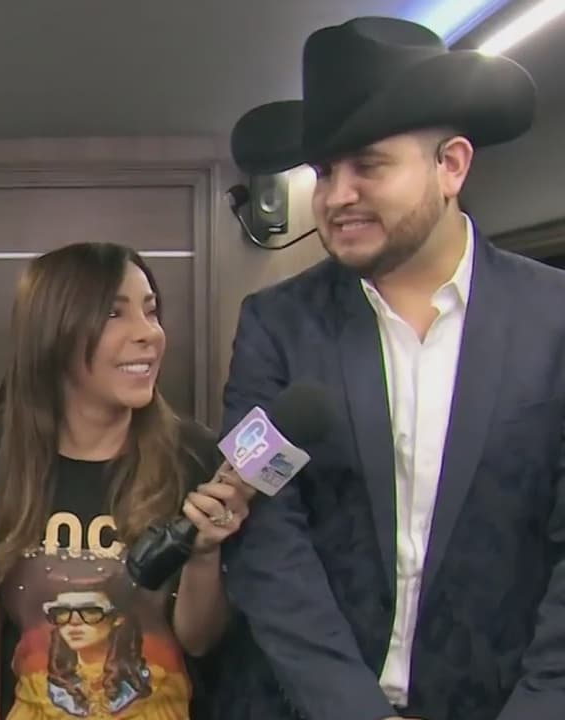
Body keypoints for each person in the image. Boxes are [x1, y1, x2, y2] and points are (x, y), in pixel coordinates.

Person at [215, 16, 565, 720]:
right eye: (324, 172)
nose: (336, 195)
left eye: (367, 166)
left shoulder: (553, 319)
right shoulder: (277, 325)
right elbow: (264, 534)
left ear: (451, 165)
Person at [0, 242, 253, 720]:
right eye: (114, 314)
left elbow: (199, 642)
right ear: (54, 333)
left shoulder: (194, 454)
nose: (148, 333)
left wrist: (205, 554)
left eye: (151, 311)